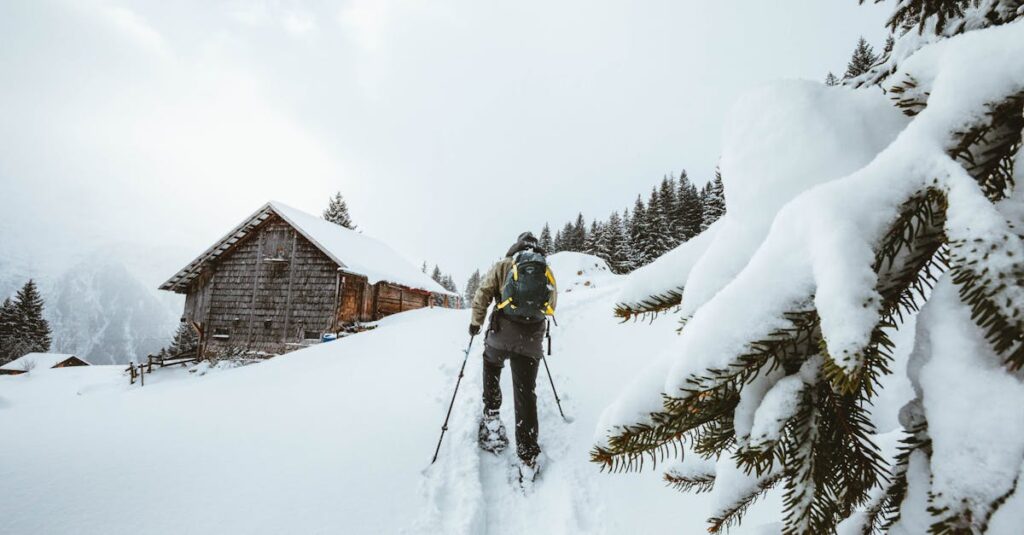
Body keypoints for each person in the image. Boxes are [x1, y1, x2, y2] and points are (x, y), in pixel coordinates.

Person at [469, 231, 557, 480]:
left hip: (500, 335)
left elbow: (482, 294)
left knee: (491, 365)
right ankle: (528, 455)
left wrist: (475, 323)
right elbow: (552, 303)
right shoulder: (545, 269)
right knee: (525, 392)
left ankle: (493, 418)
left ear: (515, 245)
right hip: (530, 343)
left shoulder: (504, 265)